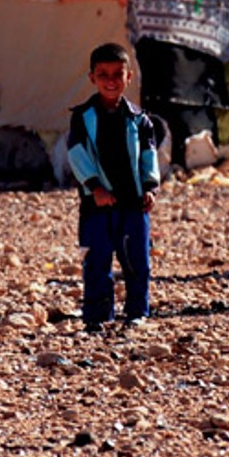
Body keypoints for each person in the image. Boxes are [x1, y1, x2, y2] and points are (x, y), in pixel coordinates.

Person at [65, 43, 161, 330]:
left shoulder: (139, 119)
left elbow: (149, 156)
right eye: (103, 74)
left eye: (117, 74)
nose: (111, 81)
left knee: (137, 262)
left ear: (129, 77)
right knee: (97, 260)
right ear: (92, 77)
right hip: (96, 205)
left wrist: (150, 189)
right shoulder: (82, 117)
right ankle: (97, 316)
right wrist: (95, 187)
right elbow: (77, 154)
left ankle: (137, 313)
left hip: (132, 203)